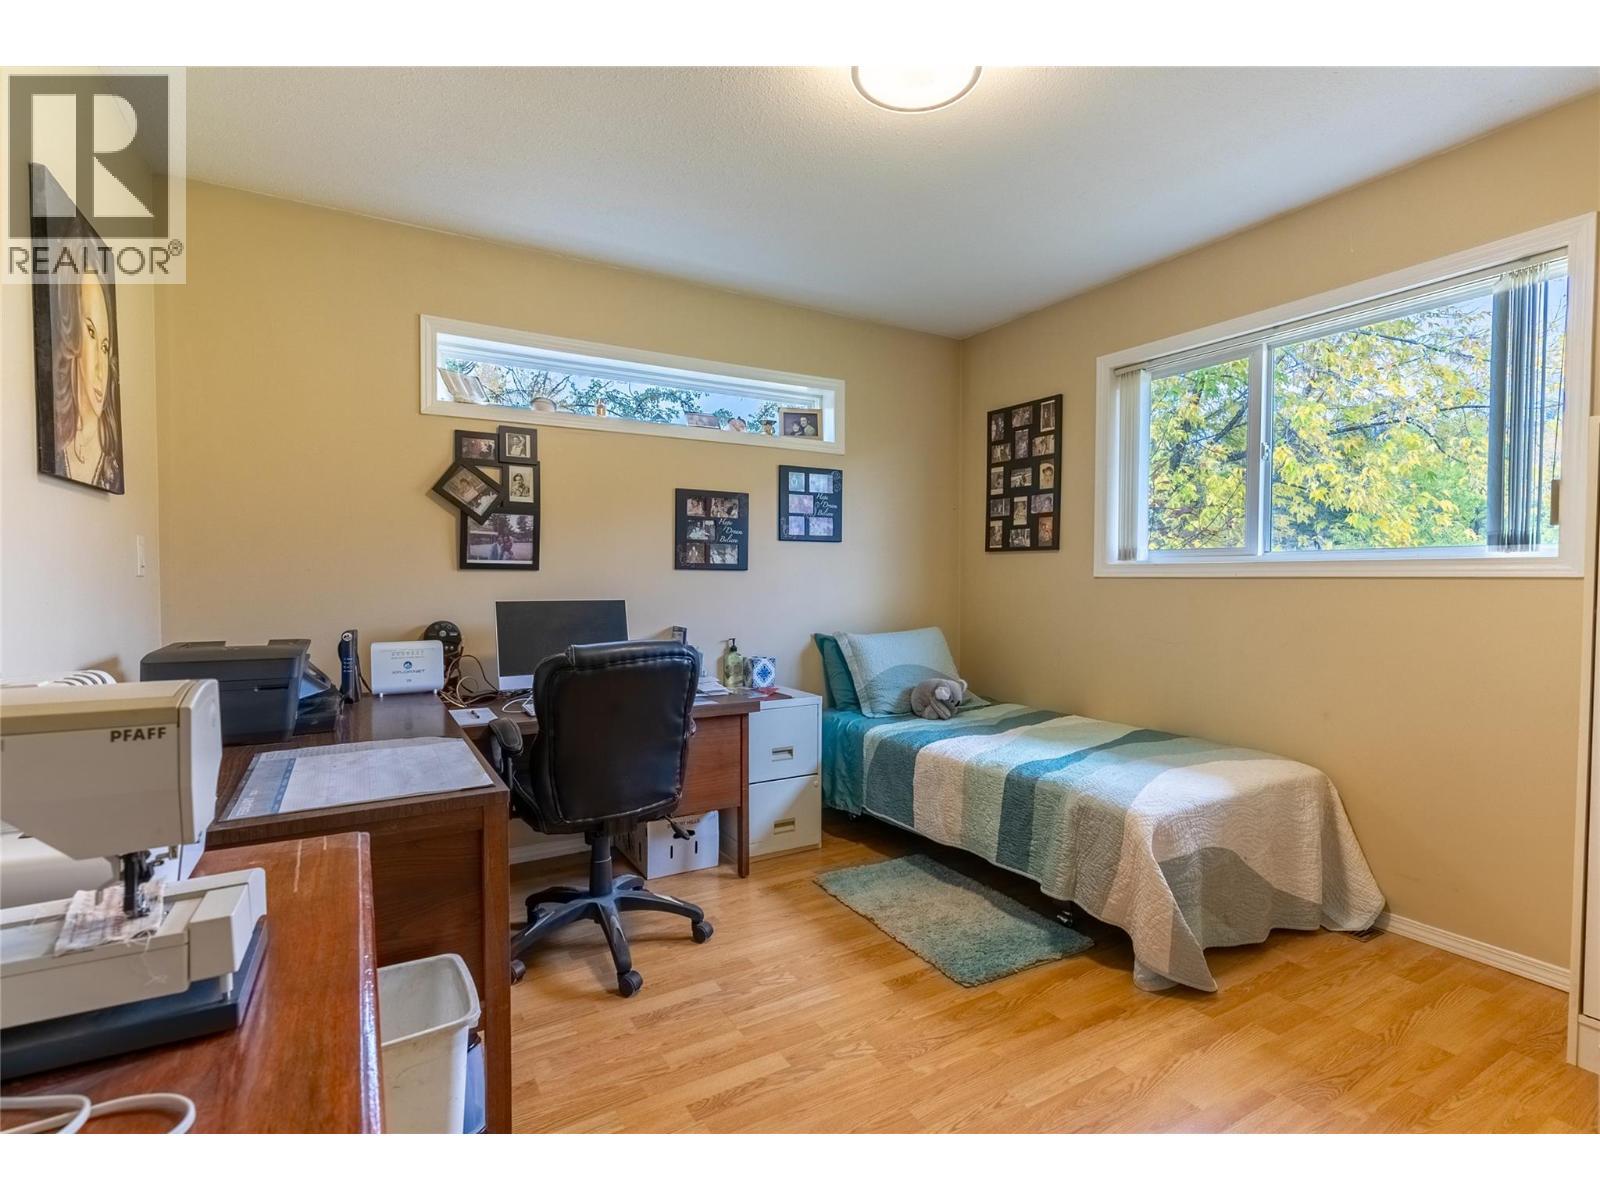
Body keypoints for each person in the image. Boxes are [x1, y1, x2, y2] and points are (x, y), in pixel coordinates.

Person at [49, 266, 122, 490]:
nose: (101, 371)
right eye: (91, 332)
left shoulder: (112, 463)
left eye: (105, 347)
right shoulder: (58, 440)